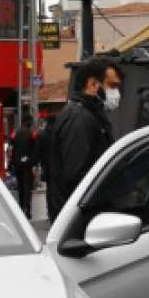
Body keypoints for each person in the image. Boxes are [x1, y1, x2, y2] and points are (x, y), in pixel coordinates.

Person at [45, 58, 122, 219]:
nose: (116, 93)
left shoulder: (87, 114)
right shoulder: (79, 119)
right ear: (93, 85)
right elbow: (76, 175)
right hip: (79, 220)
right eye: (112, 86)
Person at [10, 117, 39, 219]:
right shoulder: (32, 134)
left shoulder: (15, 133)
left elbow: (12, 145)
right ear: (30, 124)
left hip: (18, 163)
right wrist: (34, 163)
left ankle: (21, 207)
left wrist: (13, 162)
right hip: (28, 164)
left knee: (21, 186)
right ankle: (28, 210)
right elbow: (35, 149)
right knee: (28, 187)